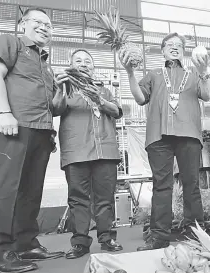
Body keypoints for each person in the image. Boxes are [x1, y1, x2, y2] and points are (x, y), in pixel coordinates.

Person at [0, 8, 67, 273]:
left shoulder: (46, 64)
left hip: (42, 131)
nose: (45, 27)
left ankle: (26, 243)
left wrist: (62, 91)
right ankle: (0, 253)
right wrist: (5, 113)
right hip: (14, 126)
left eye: (49, 25)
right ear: (23, 24)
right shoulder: (10, 43)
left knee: (32, 191)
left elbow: (54, 108)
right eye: (38, 22)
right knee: (7, 189)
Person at [122, 32, 210, 251]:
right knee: (161, 186)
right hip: (159, 136)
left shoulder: (194, 73)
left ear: (184, 51)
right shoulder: (153, 74)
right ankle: (159, 236)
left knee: (191, 184)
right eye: (170, 45)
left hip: (189, 134)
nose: (175, 48)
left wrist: (204, 72)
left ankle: (196, 233)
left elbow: (207, 95)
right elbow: (140, 98)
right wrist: (129, 72)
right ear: (162, 50)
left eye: (179, 45)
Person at [56, 49, 124, 259]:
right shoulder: (64, 87)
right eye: (78, 61)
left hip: (105, 150)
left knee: (105, 198)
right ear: (71, 65)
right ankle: (79, 243)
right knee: (78, 199)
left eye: (88, 61)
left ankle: (107, 238)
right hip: (76, 151)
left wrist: (100, 101)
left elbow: (118, 112)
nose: (84, 64)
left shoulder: (103, 89)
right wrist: (59, 89)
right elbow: (54, 110)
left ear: (94, 67)